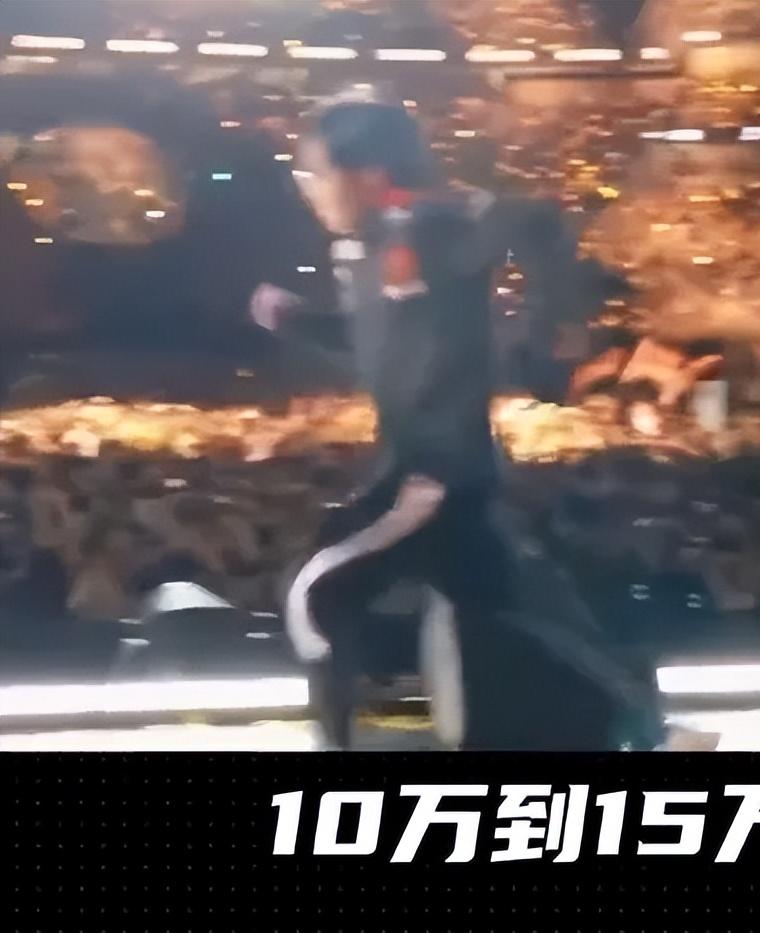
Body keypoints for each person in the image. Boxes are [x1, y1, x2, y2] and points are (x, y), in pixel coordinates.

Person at [251, 100, 664, 751]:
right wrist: (295, 320)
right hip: (436, 473)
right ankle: (640, 722)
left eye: (315, 175)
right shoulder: (365, 248)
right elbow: (380, 345)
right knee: (511, 606)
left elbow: (537, 222)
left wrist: (551, 340)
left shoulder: (431, 223)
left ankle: (337, 743)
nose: (309, 193)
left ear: (368, 173)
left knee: (316, 595)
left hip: (433, 480)